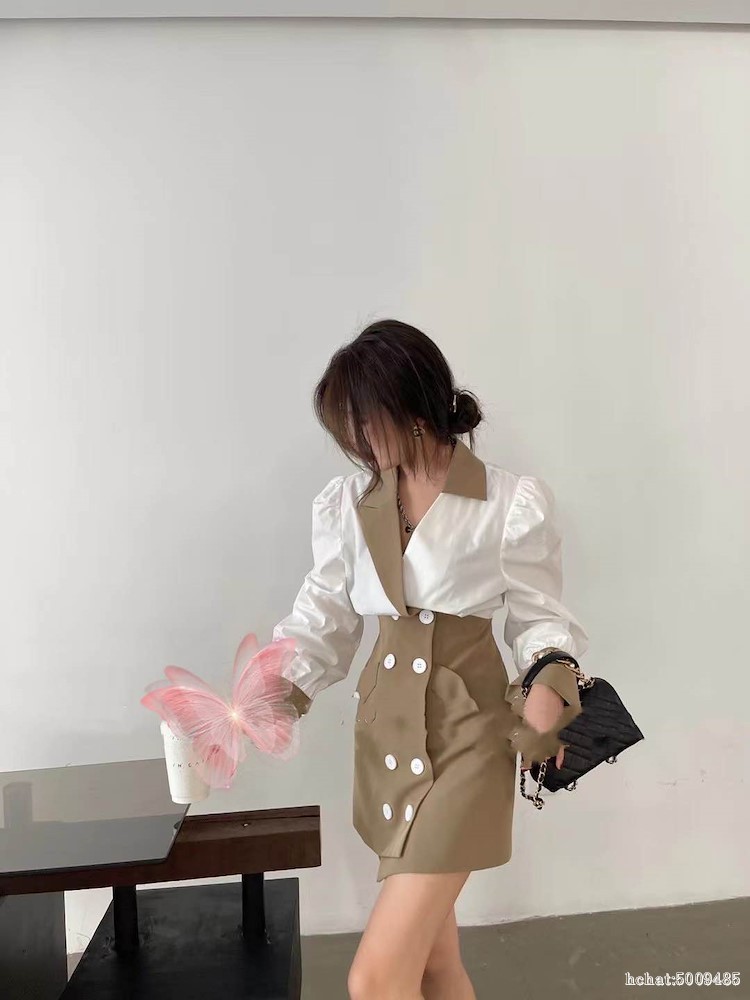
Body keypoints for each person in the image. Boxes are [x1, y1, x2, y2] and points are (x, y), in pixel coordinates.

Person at [271, 318, 589, 1000]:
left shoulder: (507, 502)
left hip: (468, 738)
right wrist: (277, 691)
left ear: (411, 407)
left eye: (364, 422)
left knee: (375, 979)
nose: (357, 441)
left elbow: (539, 616)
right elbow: (325, 612)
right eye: (347, 427)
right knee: (433, 967)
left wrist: (548, 682)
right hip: (388, 739)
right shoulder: (350, 503)